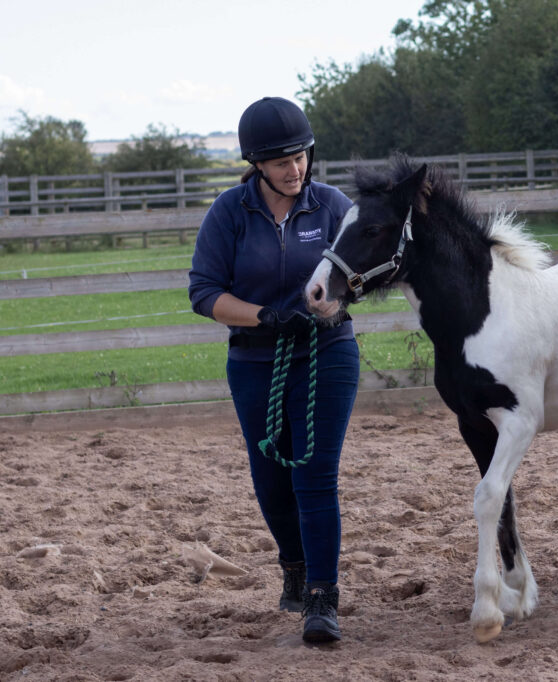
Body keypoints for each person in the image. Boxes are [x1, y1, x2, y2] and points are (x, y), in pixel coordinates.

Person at [189, 96, 359, 644]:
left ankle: (321, 596)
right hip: (255, 359)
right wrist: (264, 316)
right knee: (270, 479)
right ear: (256, 163)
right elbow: (204, 292)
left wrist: (336, 303)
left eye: (302, 156)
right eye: (283, 160)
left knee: (314, 474)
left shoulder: (332, 206)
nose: (296, 169)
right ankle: (293, 562)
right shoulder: (229, 213)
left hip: (327, 353)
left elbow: (367, 272)